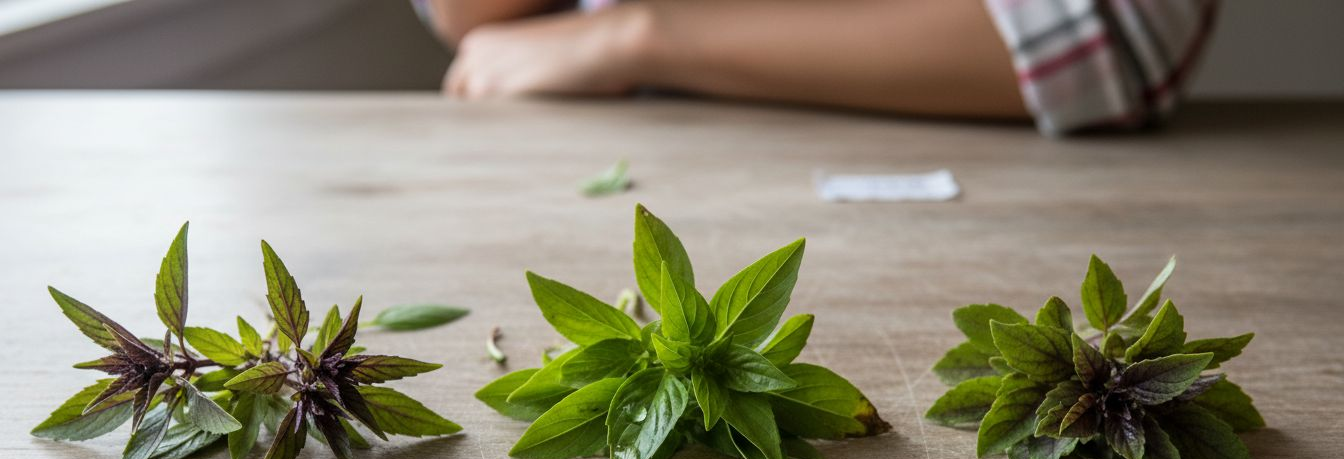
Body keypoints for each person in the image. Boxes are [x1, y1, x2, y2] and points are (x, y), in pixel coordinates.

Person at [412, 0, 1217, 136]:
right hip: (572, 139)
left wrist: (641, 36)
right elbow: (469, 18)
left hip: (982, 161)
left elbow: (1115, 42)